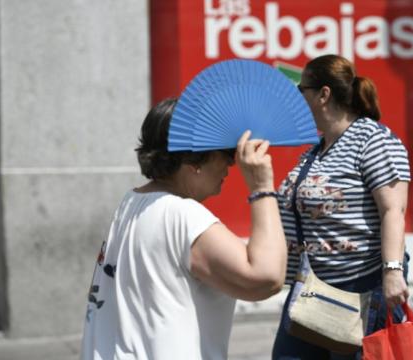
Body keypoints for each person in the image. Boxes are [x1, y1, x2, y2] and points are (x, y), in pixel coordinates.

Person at [81, 97, 287, 360]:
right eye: (225, 152)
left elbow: (252, 288)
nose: (232, 164)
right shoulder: (182, 215)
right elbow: (267, 277)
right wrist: (262, 188)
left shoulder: (131, 202)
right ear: (194, 161)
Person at [272, 54, 411, 359]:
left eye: (301, 91)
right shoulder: (315, 151)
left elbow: (393, 210)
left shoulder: (373, 140)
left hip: (362, 287)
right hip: (312, 288)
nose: (297, 98)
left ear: (323, 94)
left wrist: (392, 272)